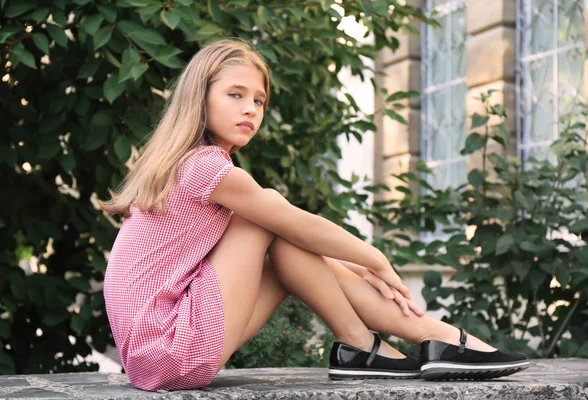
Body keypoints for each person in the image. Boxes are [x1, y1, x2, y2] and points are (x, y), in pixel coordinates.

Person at [100, 39, 529, 392]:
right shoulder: (206, 167)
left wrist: (358, 268)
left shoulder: (190, 165)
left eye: (259, 101)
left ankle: (377, 347)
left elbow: (301, 249)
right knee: (270, 217)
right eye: (235, 95)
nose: (250, 109)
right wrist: (375, 259)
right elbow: (296, 225)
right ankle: (405, 340)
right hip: (172, 346)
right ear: (201, 96)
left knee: (282, 240)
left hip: (159, 353)